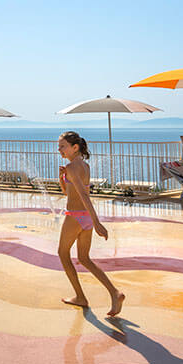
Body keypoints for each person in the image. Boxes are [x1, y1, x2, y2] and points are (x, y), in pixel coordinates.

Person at [57, 131, 125, 317]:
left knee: (63, 254)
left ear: (75, 147)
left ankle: (80, 296)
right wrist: (62, 178)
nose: (59, 149)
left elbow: (84, 196)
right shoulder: (83, 166)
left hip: (75, 216)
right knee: (84, 258)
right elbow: (67, 193)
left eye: (63, 146)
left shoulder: (72, 167)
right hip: (84, 217)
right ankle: (114, 292)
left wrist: (98, 223)